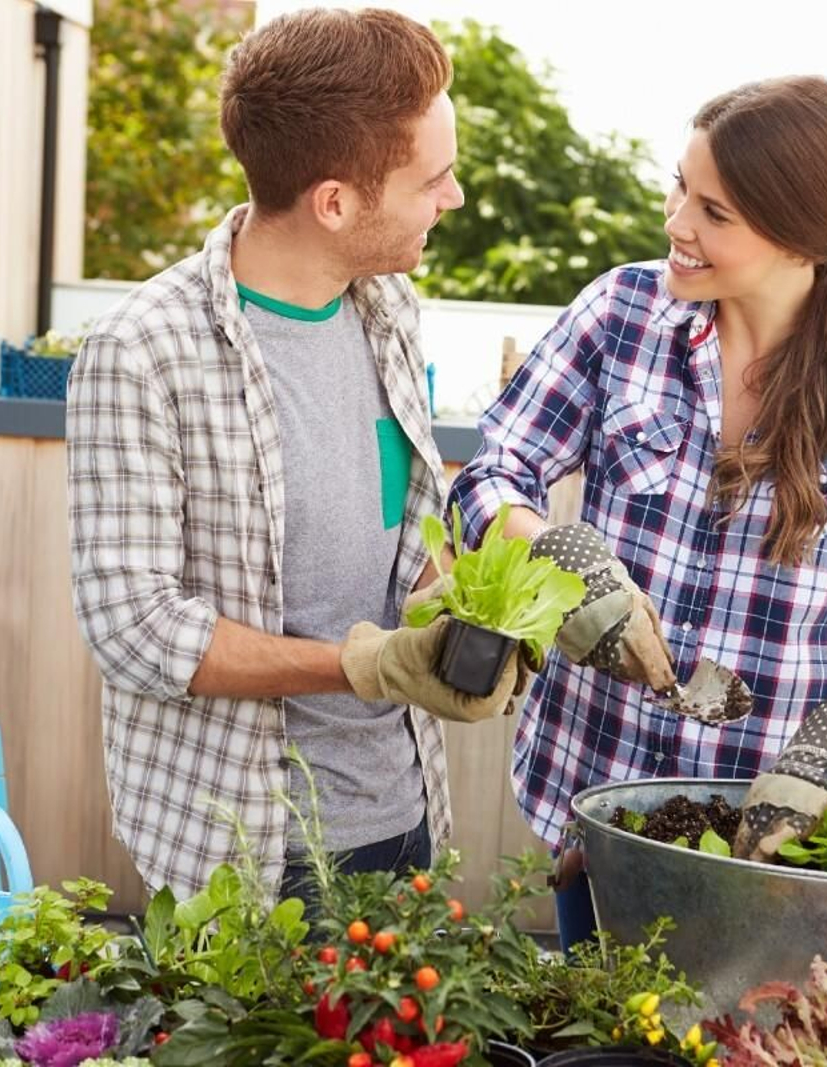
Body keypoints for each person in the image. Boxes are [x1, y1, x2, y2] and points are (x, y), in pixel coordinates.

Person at [446, 76, 827, 945]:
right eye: (679, 186)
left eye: (715, 211)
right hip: (590, 792)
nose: (677, 223)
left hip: (772, 834)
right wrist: (554, 550)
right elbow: (491, 472)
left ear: (802, 239)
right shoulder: (622, 316)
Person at [65, 8, 520, 906]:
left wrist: (461, 609)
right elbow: (135, 628)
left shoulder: (388, 309)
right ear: (337, 201)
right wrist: (358, 663)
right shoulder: (142, 351)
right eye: (434, 179)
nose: (454, 198)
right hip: (246, 847)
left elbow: (399, 532)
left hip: (407, 808)